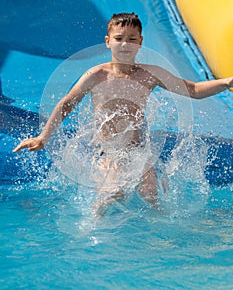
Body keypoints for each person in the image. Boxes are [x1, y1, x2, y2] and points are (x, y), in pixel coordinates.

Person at [13, 12, 233, 214]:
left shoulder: (149, 75)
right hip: (107, 151)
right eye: (119, 38)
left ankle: (160, 243)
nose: (125, 44)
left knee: (152, 196)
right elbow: (67, 103)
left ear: (140, 43)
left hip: (138, 151)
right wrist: (44, 137)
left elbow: (192, 90)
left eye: (132, 39)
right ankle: (91, 232)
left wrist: (226, 82)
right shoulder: (97, 75)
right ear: (108, 42)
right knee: (111, 194)